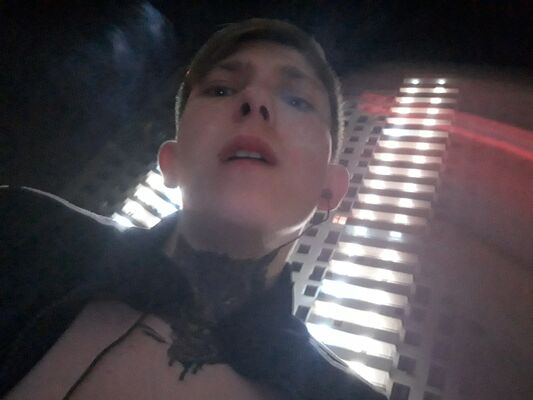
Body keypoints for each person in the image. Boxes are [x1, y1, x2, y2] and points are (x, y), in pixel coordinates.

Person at [0, 18, 388, 400]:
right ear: (171, 163)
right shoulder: (24, 229)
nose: (255, 101)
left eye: (297, 100)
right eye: (220, 89)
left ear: (329, 189)